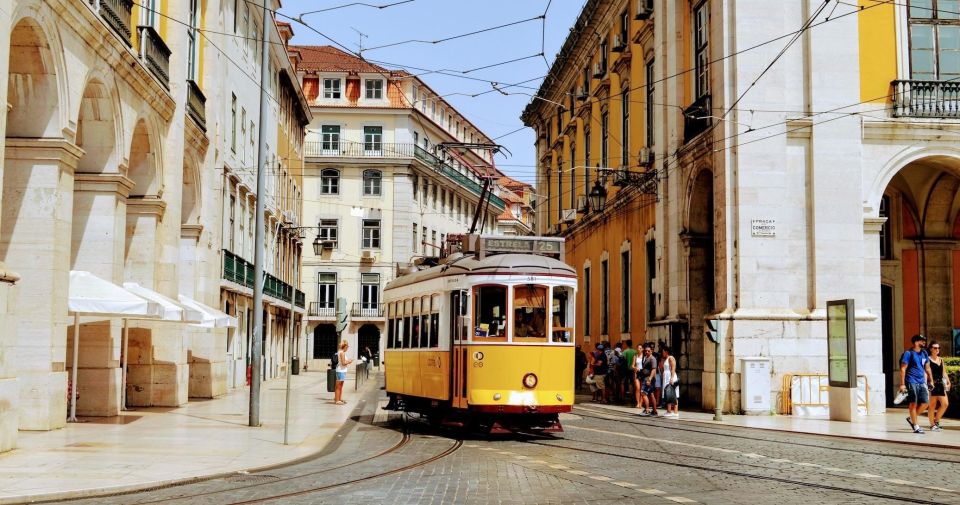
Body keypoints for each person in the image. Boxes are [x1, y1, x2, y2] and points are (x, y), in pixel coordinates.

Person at [899, 334, 933, 434]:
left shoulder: (924, 353)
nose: (924, 342)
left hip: (922, 381)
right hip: (911, 380)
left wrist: (931, 380)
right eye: (922, 341)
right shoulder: (908, 353)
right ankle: (916, 426)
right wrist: (902, 384)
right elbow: (903, 369)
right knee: (913, 403)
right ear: (916, 342)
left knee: (925, 403)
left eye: (924, 341)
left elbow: (927, 368)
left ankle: (911, 418)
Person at [926, 341, 951, 432]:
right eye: (935, 348)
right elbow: (926, 372)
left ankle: (936, 421)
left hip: (940, 384)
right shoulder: (927, 359)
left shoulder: (941, 359)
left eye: (938, 348)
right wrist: (928, 383)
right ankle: (932, 425)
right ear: (930, 349)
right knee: (932, 405)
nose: (937, 350)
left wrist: (948, 382)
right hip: (932, 384)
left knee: (945, 404)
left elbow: (943, 372)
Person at [637, 343, 658, 416]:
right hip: (646, 378)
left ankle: (647, 410)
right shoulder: (646, 357)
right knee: (651, 394)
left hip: (648, 379)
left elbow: (654, 369)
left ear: (651, 351)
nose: (647, 352)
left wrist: (649, 379)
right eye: (646, 351)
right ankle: (654, 411)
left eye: (648, 351)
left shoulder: (652, 359)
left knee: (643, 393)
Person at [660, 346, 679, 417]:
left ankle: (675, 411)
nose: (662, 353)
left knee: (673, 394)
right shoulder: (666, 359)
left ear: (666, 352)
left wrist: (671, 378)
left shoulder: (671, 358)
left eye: (663, 352)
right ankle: (669, 411)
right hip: (667, 377)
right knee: (668, 394)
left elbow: (673, 368)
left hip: (670, 377)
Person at [334, 340, 353, 405]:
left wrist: (347, 361)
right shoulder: (342, 353)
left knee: (340, 386)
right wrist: (349, 361)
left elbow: (343, 361)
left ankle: (339, 398)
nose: (348, 347)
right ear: (344, 346)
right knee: (338, 386)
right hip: (341, 370)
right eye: (347, 346)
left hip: (342, 370)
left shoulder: (340, 352)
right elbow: (343, 363)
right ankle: (337, 400)